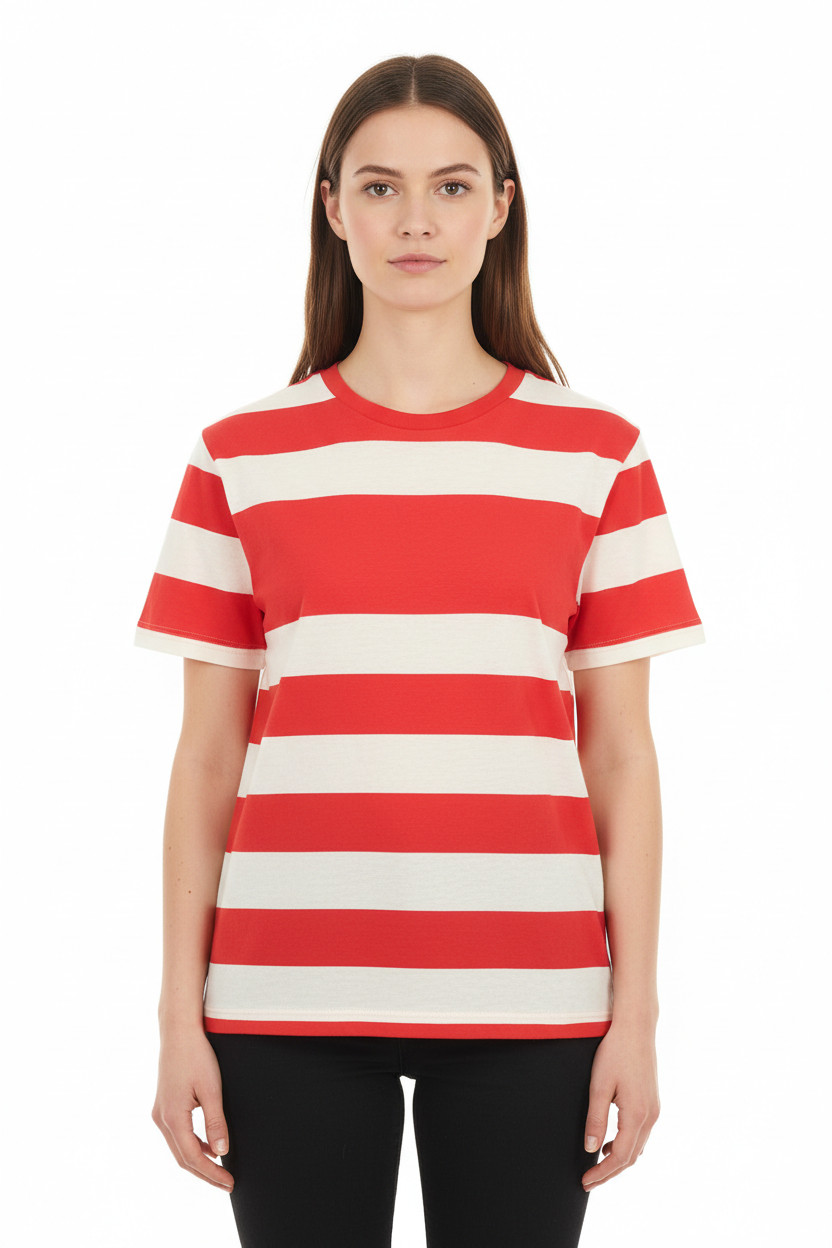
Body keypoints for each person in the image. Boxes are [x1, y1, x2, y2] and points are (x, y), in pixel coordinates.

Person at [136, 53, 705, 1248]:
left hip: (534, 995)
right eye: (380, 188)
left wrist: (636, 1016)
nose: (415, 221)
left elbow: (621, 758)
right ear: (332, 208)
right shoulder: (238, 457)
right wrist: (177, 1016)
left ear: (500, 209)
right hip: (282, 994)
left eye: (451, 187)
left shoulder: (598, 454)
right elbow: (206, 760)